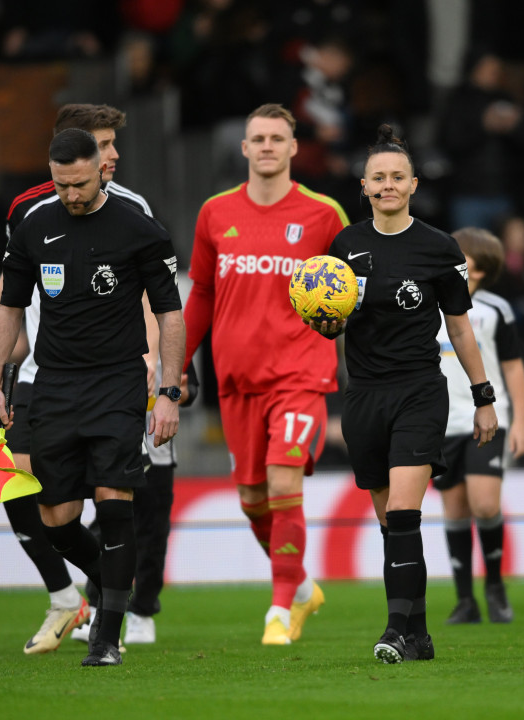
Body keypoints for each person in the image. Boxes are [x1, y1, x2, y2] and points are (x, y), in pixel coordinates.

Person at [0, 128, 184, 667]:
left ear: (101, 170)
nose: (71, 194)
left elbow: (170, 311)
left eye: (79, 183)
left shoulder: (138, 227)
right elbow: (7, 307)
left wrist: (168, 390)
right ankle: (112, 580)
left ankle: (106, 636)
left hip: (118, 382)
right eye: (60, 184)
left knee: (114, 503)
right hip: (52, 384)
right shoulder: (33, 226)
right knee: (56, 518)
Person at [310, 124, 498, 663]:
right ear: (363, 186)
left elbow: (461, 327)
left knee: (404, 515)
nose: (388, 185)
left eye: (397, 177)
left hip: (419, 391)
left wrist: (483, 396)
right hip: (364, 397)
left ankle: (394, 631)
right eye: (378, 178)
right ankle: (419, 635)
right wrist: (325, 326)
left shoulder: (440, 248)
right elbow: (331, 316)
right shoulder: (345, 246)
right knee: (390, 522)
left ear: (414, 184)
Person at [181, 103, 347, 646]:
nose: (269, 146)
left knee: (283, 481)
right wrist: (176, 367)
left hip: (300, 373)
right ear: (246, 148)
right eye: (259, 138)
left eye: (279, 137)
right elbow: (201, 294)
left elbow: (353, 289)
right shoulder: (214, 213)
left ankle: (278, 610)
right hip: (237, 379)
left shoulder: (325, 214)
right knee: (253, 499)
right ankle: (300, 587)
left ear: (295, 147)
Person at [434, 227, 524, 625]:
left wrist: (520, 420)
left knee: (485, 503)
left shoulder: (496, 310)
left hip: (487, 417)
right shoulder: (427, 304)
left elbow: (513, 366)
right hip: (441, 421)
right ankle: (464, 600)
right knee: (454, 508)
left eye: (474, 268)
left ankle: (494, 584)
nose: (466, 274)